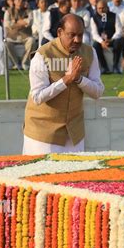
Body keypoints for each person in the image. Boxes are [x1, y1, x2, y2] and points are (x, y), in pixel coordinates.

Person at [22, 14, 104, 155]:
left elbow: (97, 92)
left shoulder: (90, 53)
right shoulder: (43, 55)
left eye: (80, 35)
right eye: (72, 35)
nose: (77, 40)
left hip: (74, 134)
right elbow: (37, 97)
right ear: (59, 32)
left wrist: (79, 79)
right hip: (42, 134)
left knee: (75, 176)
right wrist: (66, 80)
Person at [90, 0, 123, 74]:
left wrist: (111, 39)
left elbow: (119, 31)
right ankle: (104, 67)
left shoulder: (115, 16)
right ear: (96, 9)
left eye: (103, 8)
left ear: (107, 8)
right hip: (101, 41)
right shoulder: (93, 18)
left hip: (112, 39)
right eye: (99, 8)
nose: (101, 10)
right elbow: (94, 34)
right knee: (95, 45)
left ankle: (115, 66)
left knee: (118, 42)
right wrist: (102, 42)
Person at [4, 0, 35, 70]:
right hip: (12, 37)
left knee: (32, 41)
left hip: (25, 36)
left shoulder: (29, 11)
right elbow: (7, 25)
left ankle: (25, 63)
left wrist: (15, 22)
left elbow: (29, 22)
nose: (21, 1)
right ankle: (16, 63)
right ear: (14, 1)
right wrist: (22, 22)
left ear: (25, 2)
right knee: (6, 43)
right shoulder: (8, 11)